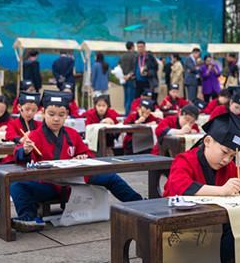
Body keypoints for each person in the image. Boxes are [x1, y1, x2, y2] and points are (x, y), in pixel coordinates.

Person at [9, 90, 143, 232]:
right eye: (51, 114)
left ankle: (139, 203)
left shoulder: (72, 134)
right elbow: (17, 154)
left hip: (74, 181)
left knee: (111, 177)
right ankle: (29, 217)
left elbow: (87, 153)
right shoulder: (35, 135)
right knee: (16, 184)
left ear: (66, 115)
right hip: (49, 185)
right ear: (43, 113)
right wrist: (25, 150)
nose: (56, 119)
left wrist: (83, 156)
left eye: (61, 115)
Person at [163, 112, 240, 198]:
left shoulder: (228, 167)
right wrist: (221, 191)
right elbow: (180, 185)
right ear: (207, 141)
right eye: (225, 152)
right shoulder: (184, 160)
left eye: (232, 156)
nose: (227, 160)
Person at [120, 41, 137, 115]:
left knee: (126, 97)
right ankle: (128, 114)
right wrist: (129, 75)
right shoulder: (134, 56)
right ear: (132, 47)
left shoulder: (122, 56)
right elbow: (135, 68)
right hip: (131, 79)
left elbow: (119, 67)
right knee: (131, 98)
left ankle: (125, 113)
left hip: (124, 79)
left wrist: (124, 76)